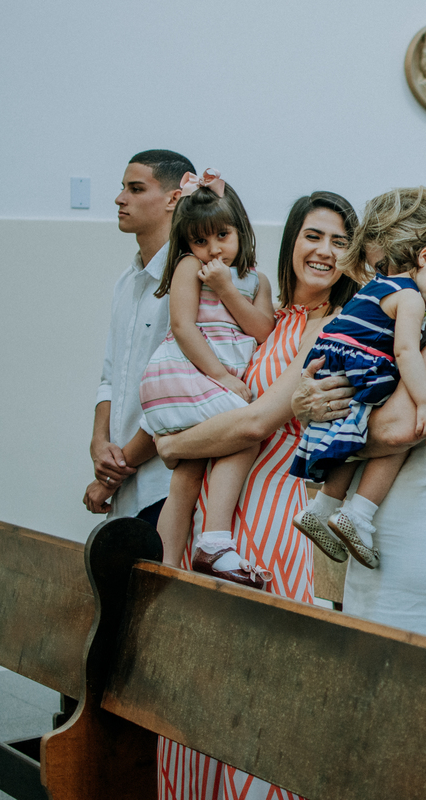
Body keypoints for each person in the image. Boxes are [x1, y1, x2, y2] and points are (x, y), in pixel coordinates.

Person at [153, 190, 359, 800]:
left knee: (255, 684)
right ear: (292, 239)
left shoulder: (333, 327)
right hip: (217, 507)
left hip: (271, 510)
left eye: (339, 241)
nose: (324, 251)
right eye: (313, 236)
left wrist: (174, 445)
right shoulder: (273, 316)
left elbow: (255, 423)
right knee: (199, 679)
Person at [292, 187, 426, 650]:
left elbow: (397, 429)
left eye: (385, 266)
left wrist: (328, 418)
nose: (385, 282)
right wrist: (308, 404)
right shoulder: (423, 309)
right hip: (378, 544)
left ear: (419, 252)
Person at [137, 170, 276, 581]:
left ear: (241, 230)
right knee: (245, 433)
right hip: (185, 374)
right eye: (200, 240)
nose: (213, 249)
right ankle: (214, 541)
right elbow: (183, 327)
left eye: (222, 235)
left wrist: (227, 287)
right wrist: (221, 376)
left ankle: (164, 570)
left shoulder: (256, 280)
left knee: (188, 473)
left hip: (210, 381)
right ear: (187, 243)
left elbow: (263, 330)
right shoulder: (188, 267)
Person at [84, 149, 194, 523]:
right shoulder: (127, 280)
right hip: (123, 479)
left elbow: (180, 394)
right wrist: (99, 444)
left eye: (135, 189)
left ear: (173, 199)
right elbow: (110, 377)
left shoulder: (189, 279)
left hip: (164, 483)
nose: (120, 199)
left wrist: (114, 473)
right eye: (122, 188)